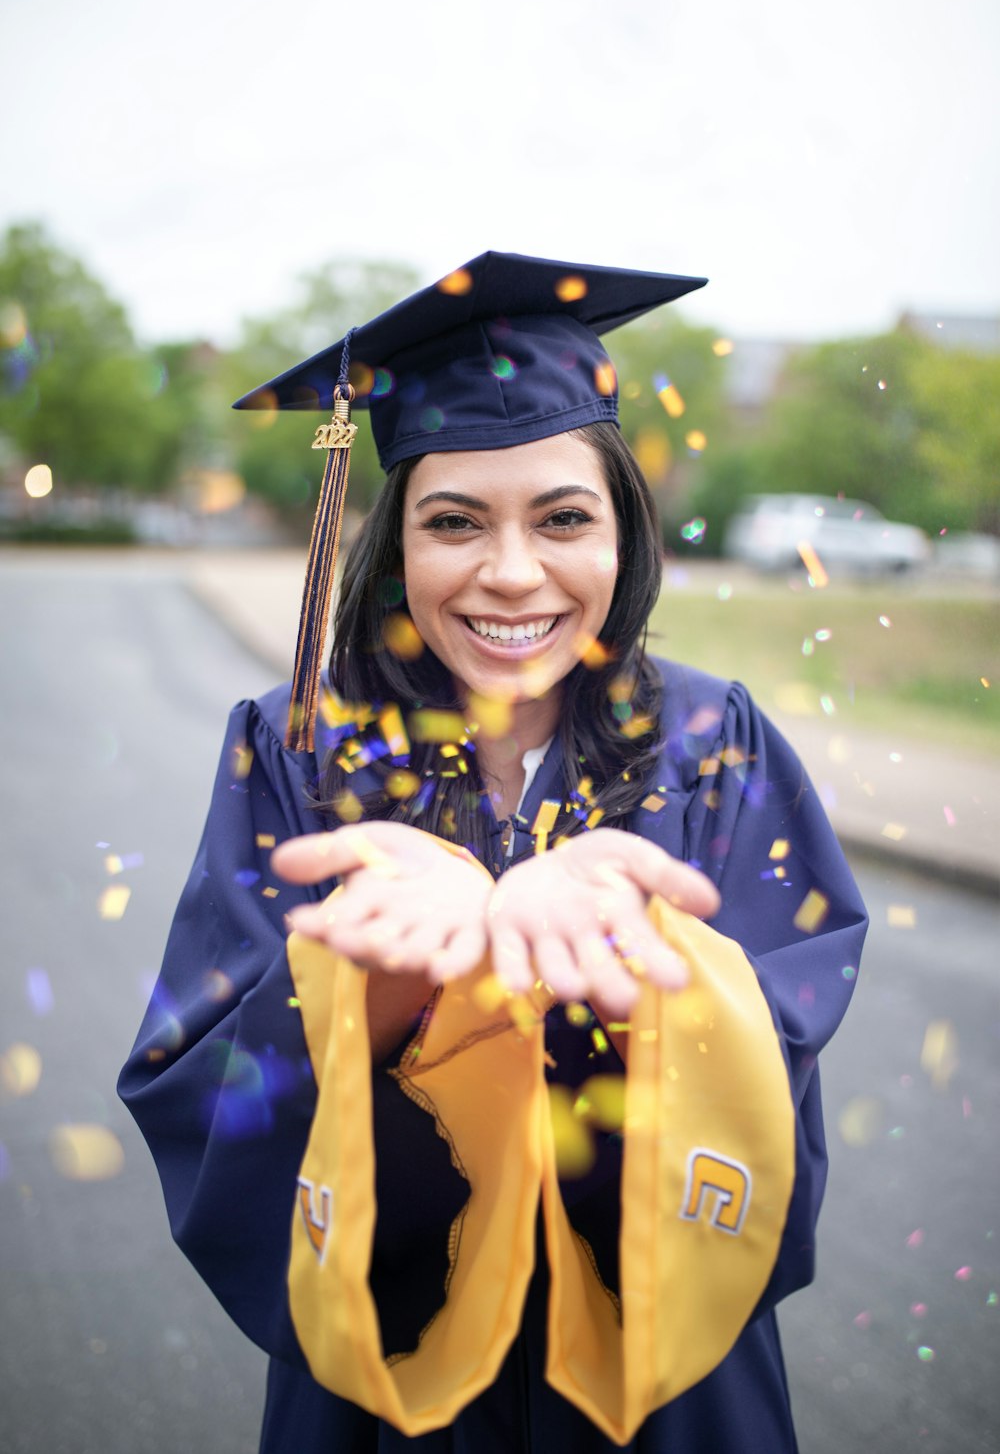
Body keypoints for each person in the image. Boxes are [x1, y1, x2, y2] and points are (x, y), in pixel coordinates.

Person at [119, 251, 868, 1453]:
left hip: (660, 1393)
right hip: (390, 1395)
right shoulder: (300, 753)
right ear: (392, 543)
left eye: (563, 518)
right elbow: (197, 1080)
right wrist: (386, 985)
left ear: (623, 531)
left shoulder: (711, 741)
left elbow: (775, 1052)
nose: (511, 571)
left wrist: (630, 973)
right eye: (453, 521)